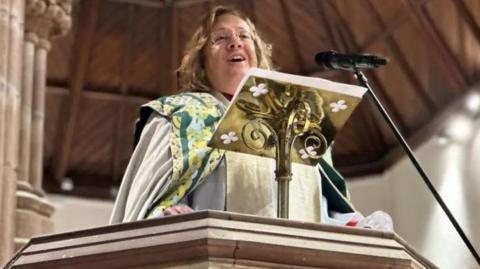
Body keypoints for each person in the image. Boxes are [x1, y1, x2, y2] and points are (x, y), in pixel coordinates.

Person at [109, 6, 393, 231]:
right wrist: (169, 216)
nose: (235, 43)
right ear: (202, 63)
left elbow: (317, 210)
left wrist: (354, 225)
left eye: (244, 36)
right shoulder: (179, 116)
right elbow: (157, 206)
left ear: (257, 53)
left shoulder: (300, 120)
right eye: (221, 38)